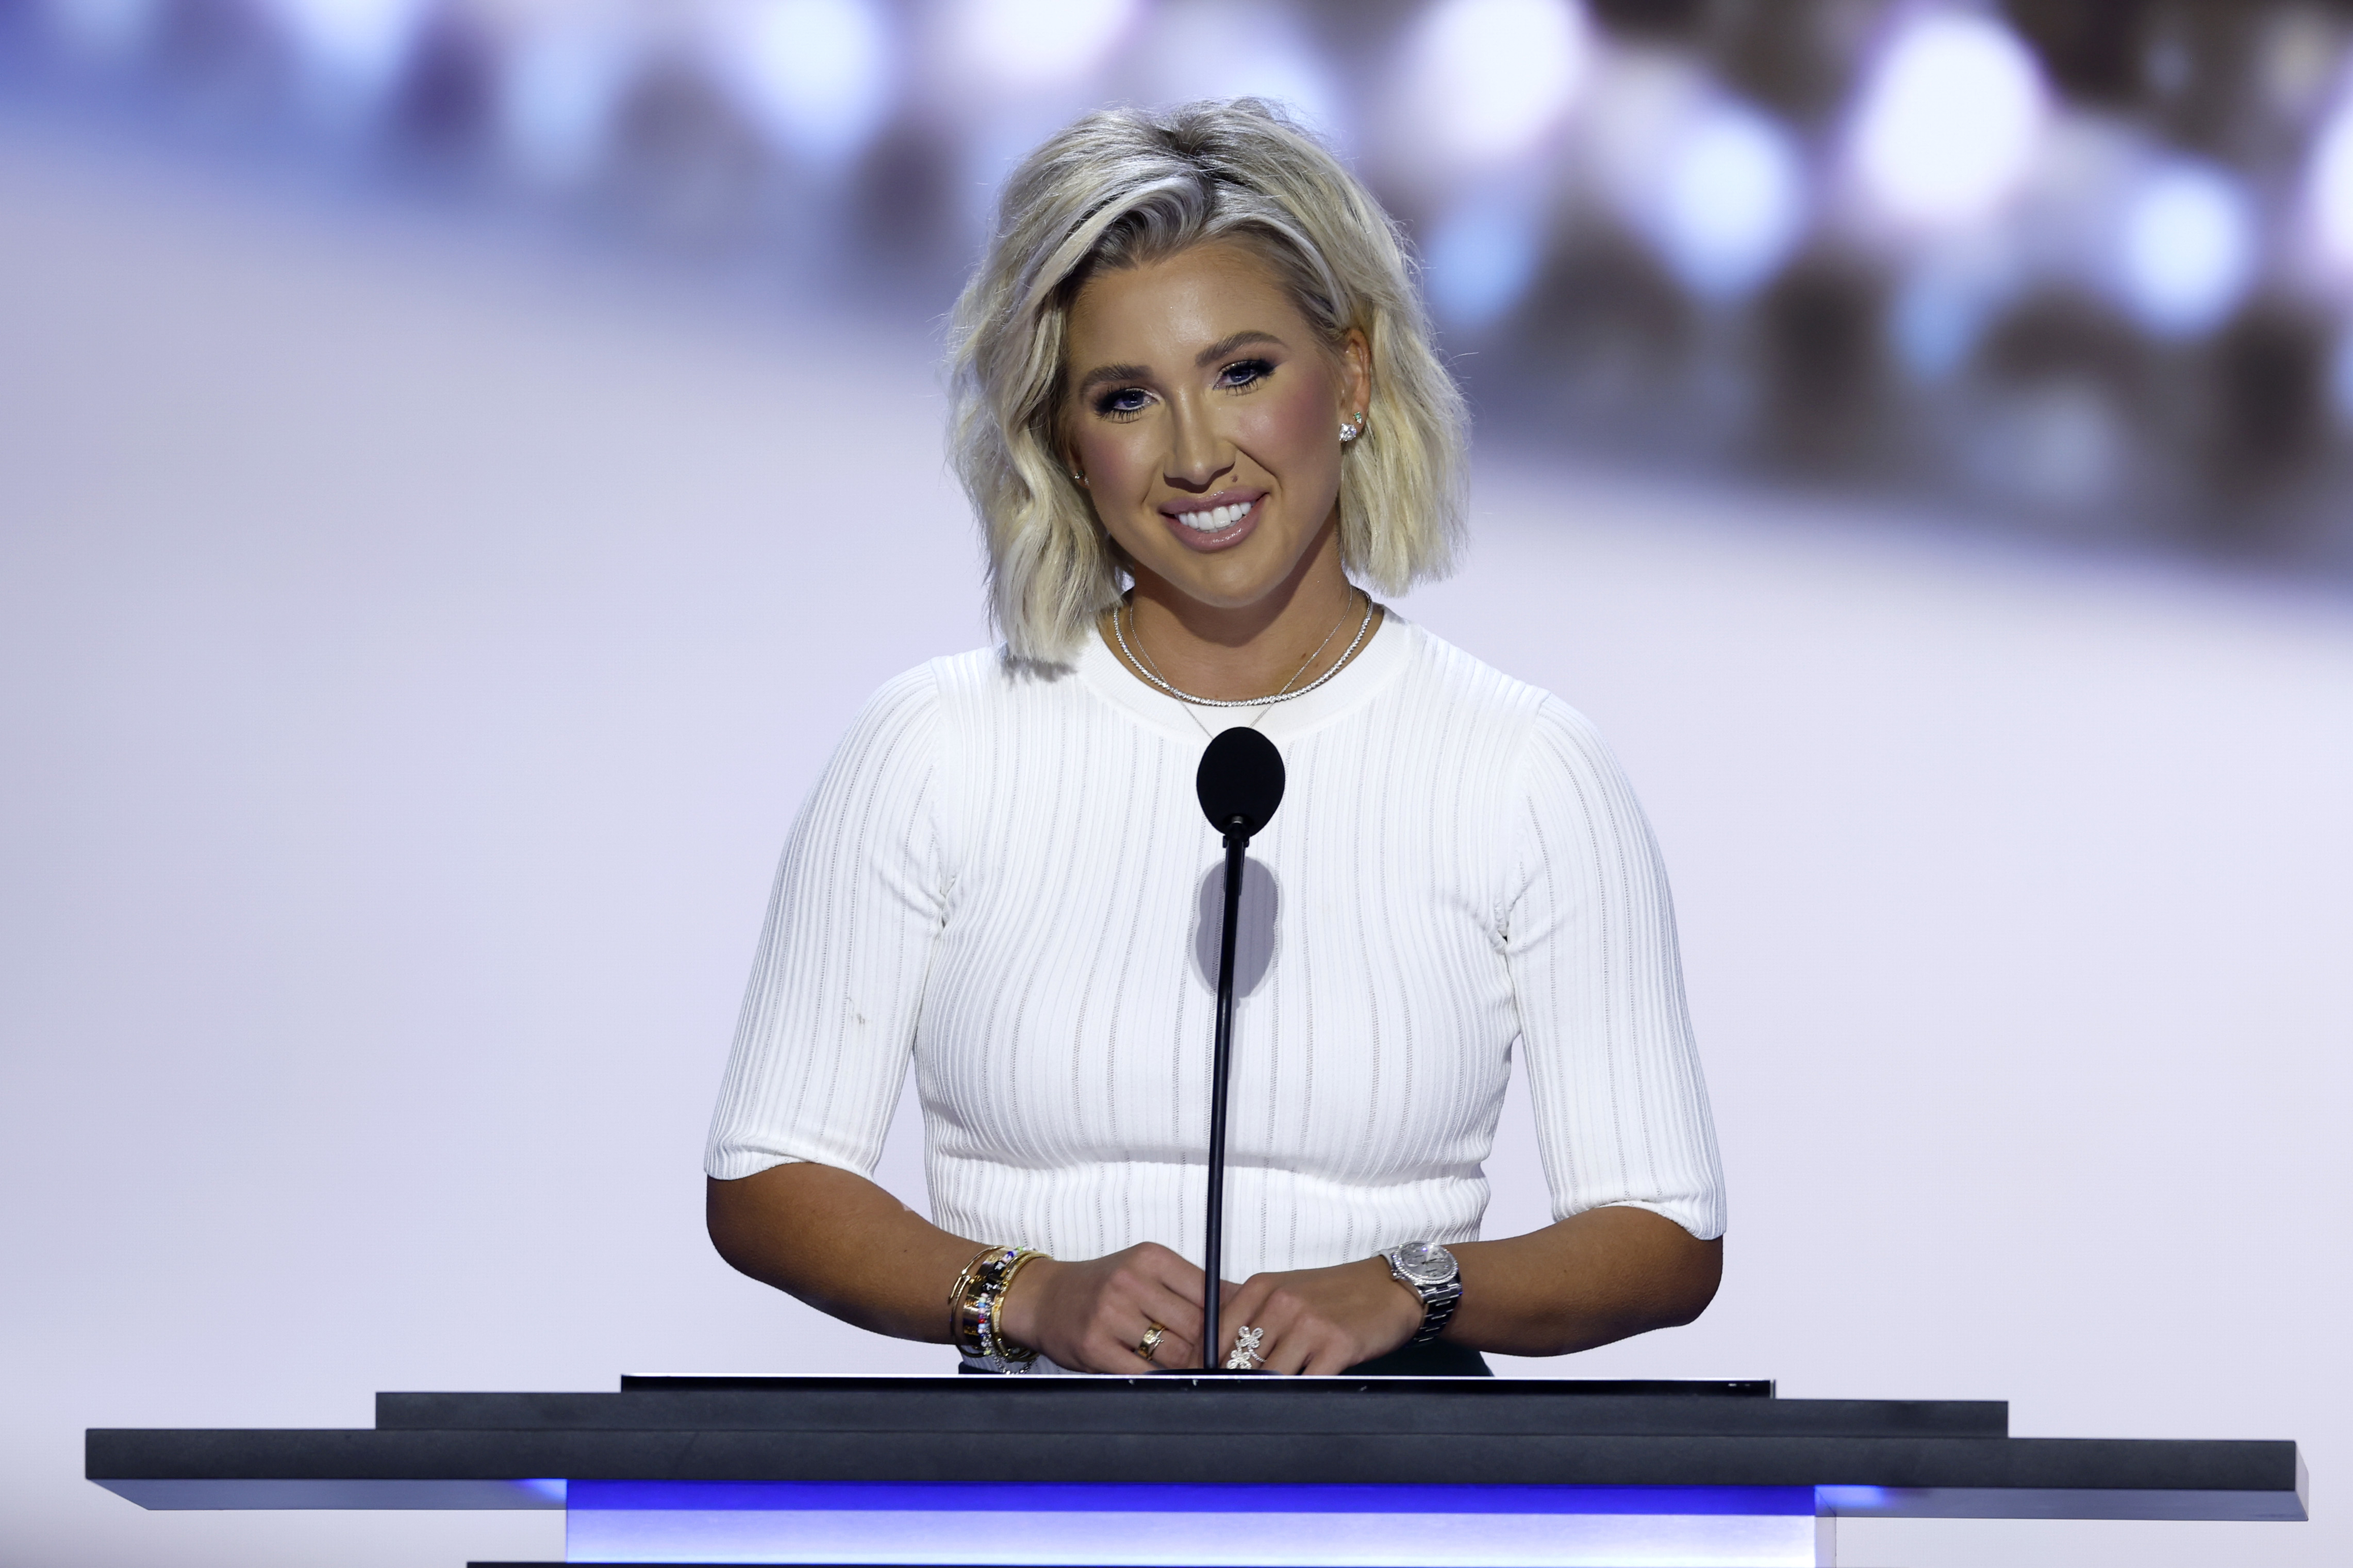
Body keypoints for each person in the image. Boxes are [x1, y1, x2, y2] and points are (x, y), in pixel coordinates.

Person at [704, 99, 1724, 1377]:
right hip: (1027, 1503)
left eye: (1242, 373)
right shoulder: (929, 746)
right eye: (1125, 398)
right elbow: (765, 1171)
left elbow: (1663, 1231)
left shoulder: (1525, 767)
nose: (1194, 455)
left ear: (1349, 377)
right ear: (1063, 444)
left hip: (1391, 1505)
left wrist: (1406, 1285)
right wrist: (1025, 1293)